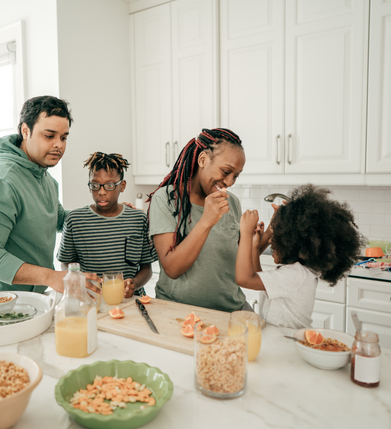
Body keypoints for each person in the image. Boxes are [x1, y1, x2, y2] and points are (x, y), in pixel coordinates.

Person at [0, 95, 100, 296]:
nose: (59, 145)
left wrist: (103, 213)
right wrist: (51, 277)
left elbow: (57, 218)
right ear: (26, 131)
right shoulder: (2, 181)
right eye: (49, 135)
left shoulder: (43, 176)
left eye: (63, 137)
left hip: (30, 297)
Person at [147, 128, 272, 312]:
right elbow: (172, 269)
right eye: (226, 171)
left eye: (236, 175)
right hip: (178, 312)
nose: (229, 182)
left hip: (232, 311)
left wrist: (269, 233)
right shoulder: (166, 199)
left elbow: (241, 260)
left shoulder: (232, 203)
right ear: (203, 160)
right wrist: (206, 221)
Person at [235, 184, 364, 328]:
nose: (271, 240)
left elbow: (244, 279)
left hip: (287, 341)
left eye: (277, 237)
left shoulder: (295, 275)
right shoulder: (301, 271)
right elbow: (260, 281)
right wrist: (254, 246)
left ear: (296, 245)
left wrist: (245, 233)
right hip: (280, 338)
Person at [57, 152, 158, 298]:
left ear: (122, 186)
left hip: (131, 301)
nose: (101, 192)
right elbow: (66, 265)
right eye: (95, 185)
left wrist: (134, 284)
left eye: (110, 185)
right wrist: (78, 281)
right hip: (91, 299)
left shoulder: (138, 219)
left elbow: (147, 268)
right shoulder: (75, 220)